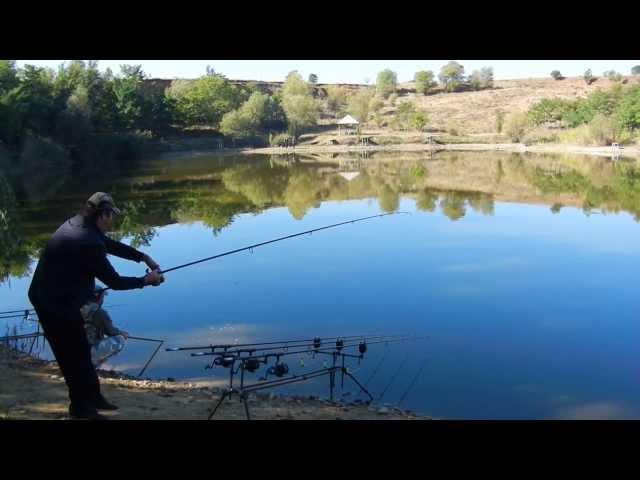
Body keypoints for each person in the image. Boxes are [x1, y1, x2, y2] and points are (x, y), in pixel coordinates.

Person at [28, 192, 165, 420]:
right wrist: (145, 281)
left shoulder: (78, 223)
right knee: (72, 355)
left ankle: (93, 397)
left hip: (61, 294)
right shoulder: (88, 242)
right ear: (103, 214)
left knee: (80, 349)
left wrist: (142, 256)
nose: (112, 221)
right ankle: (81, 410)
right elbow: (115, 282)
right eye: (111, 216)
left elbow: (107, 244)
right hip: (53, 302)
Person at [80, 288, 128, 367]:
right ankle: (93, 362)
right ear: (99, 298)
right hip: (87, 352)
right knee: (119, 339)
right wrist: (123, 334)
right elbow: (111, 332)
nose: (103, 299)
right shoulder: (100, 312)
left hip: (72, 348)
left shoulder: (77, 307)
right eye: (102, 297)